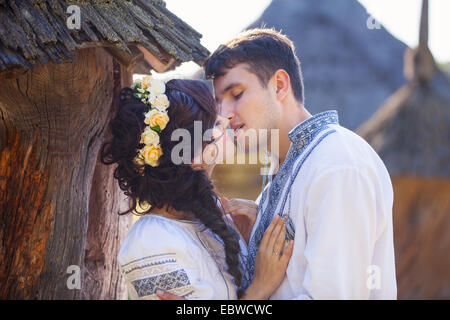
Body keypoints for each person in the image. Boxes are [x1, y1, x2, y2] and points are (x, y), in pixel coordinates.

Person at [201, 28, 397, 299]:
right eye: (219, 102)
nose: (224, 114)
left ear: (279, 85)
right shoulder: (282, 174)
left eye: (236, 94)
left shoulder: (337, 164)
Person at [101, 78, 293, 300]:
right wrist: (260, 287)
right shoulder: (152, 242)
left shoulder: (216, 219)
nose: (228, 118)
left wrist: (251, 241)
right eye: (215, 123)